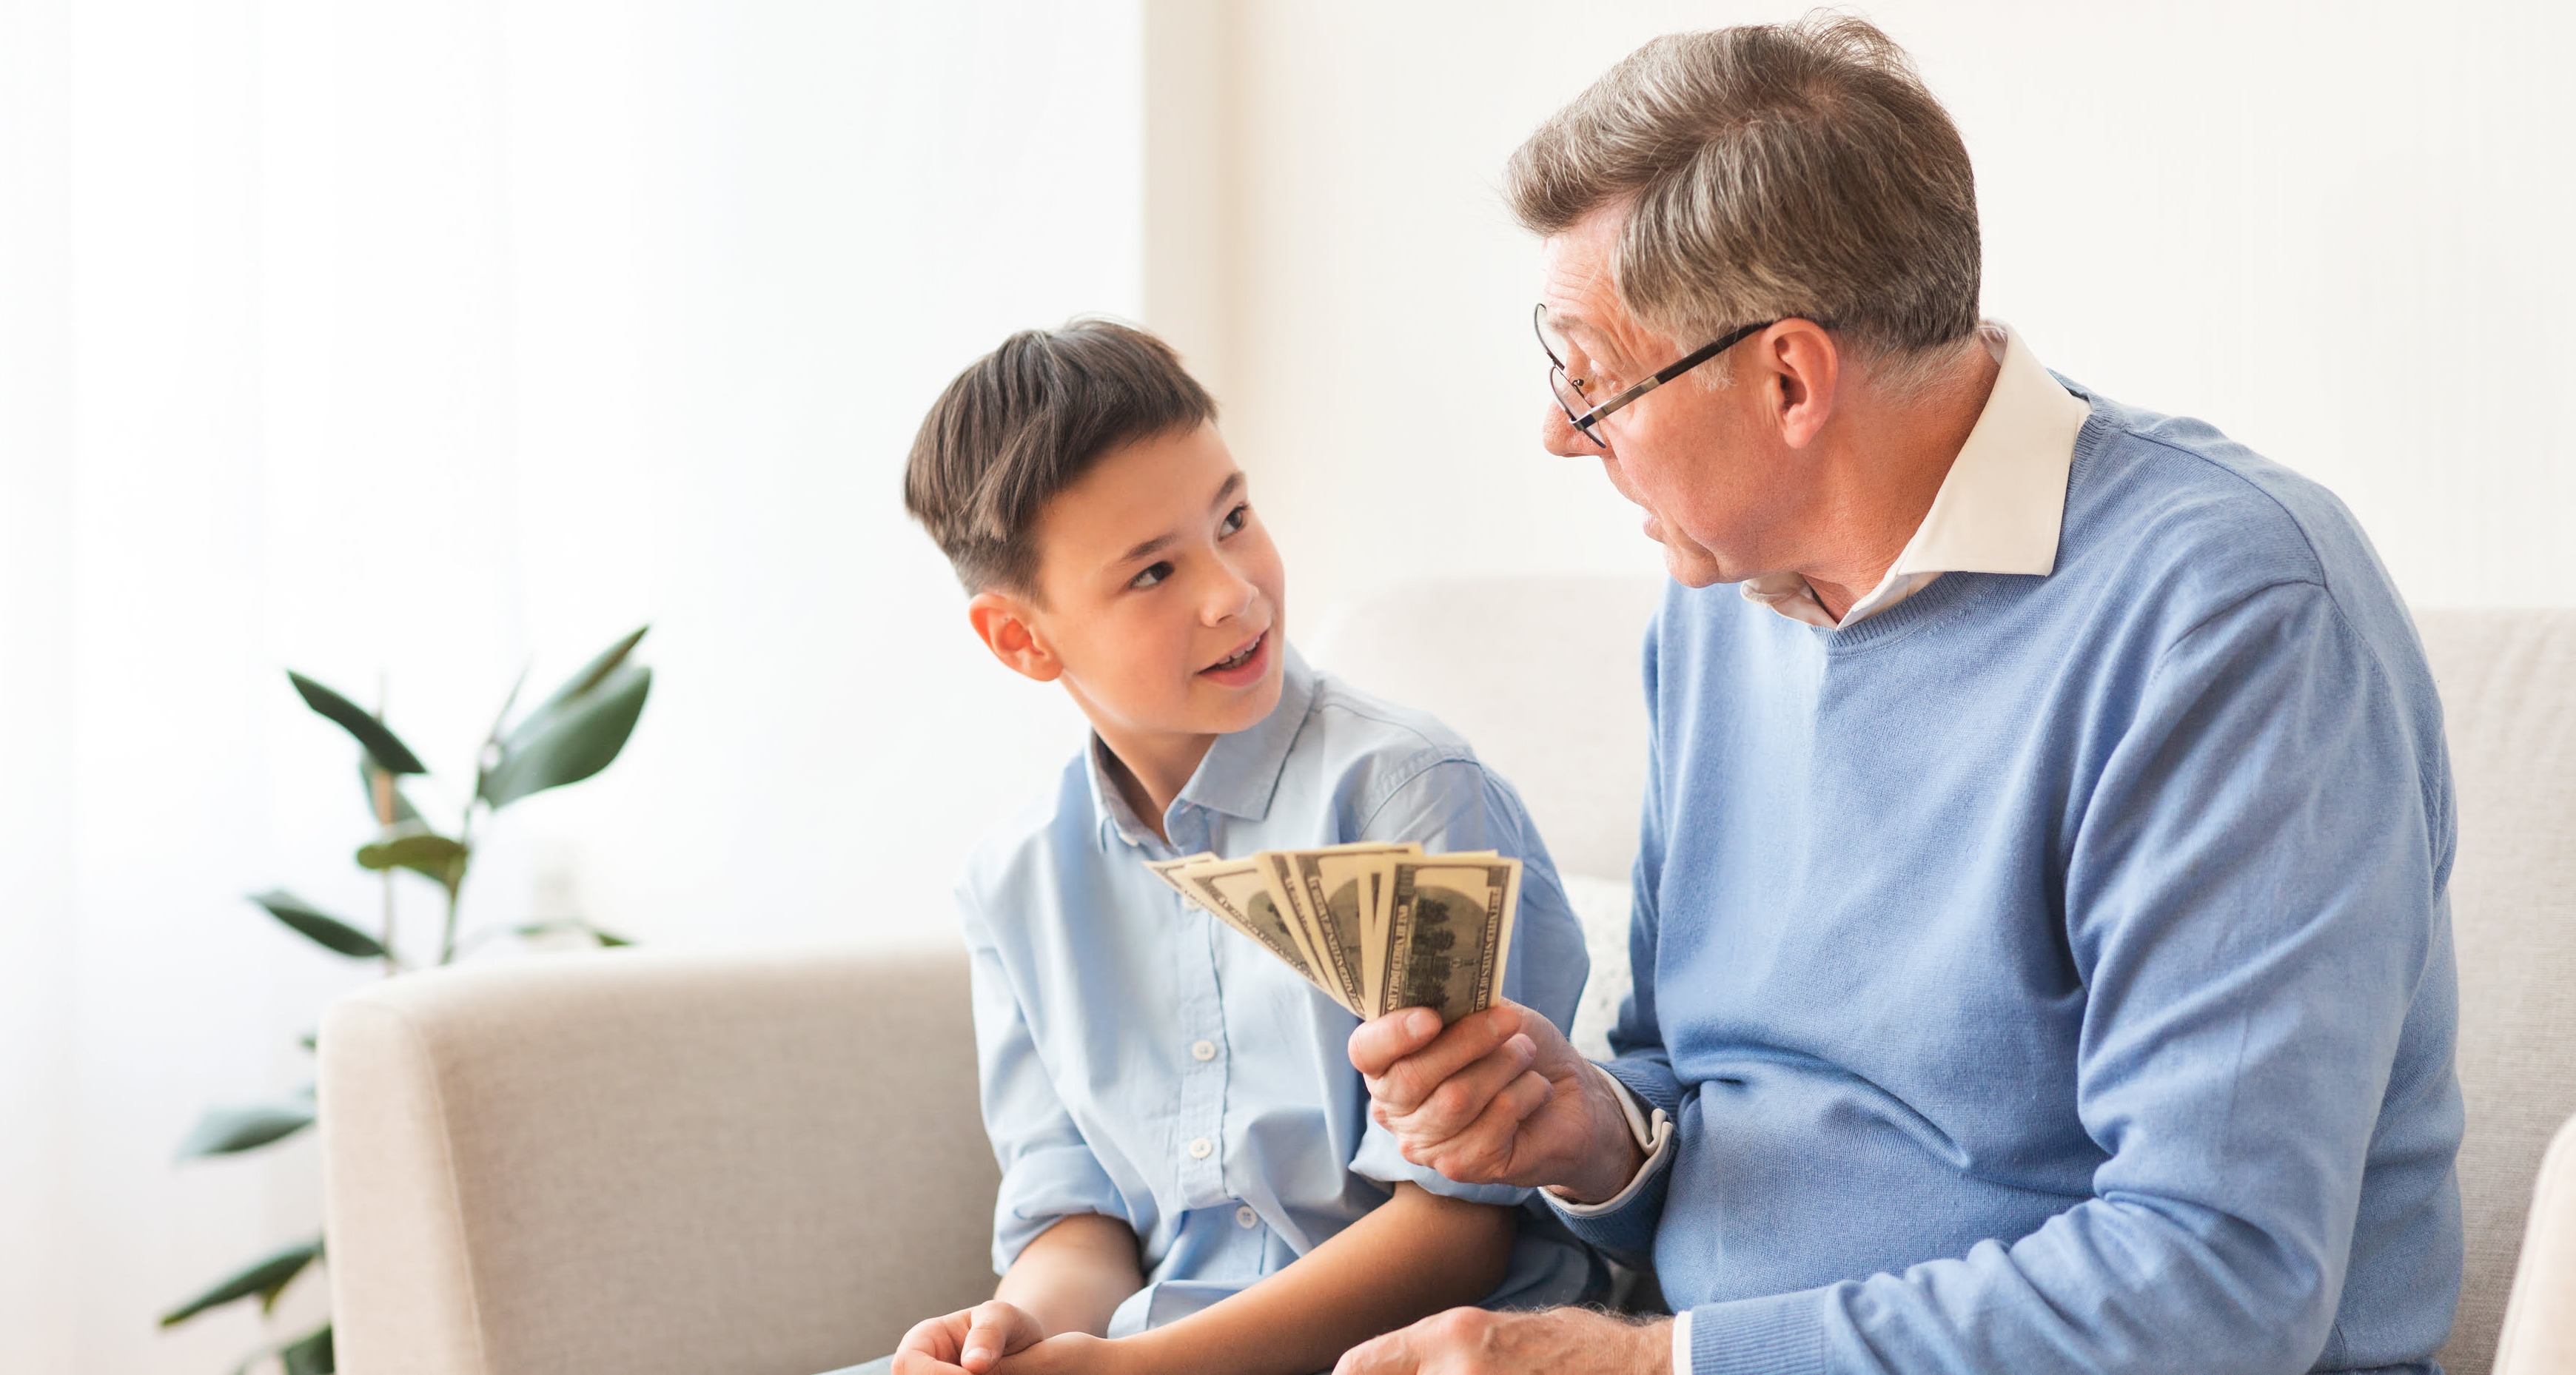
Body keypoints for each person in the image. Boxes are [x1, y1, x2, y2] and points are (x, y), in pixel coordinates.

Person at [1338, 16, 2461, 1375]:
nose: (1560, 432)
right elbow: (1694, 1081)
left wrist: (1651, 1364)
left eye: (1591, 374)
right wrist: (1585, 1127)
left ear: (1790, 378)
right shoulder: (1719, 606)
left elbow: (2216, 1282)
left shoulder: (2233, 620)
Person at [867, 320, 1598, 1375]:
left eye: (1235, 518)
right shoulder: (1014, 882)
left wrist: (1132, 1370)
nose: (1234, 590)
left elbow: (1456, 1228)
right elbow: (1079, 1221)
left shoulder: (1409, 796)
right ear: (1021, 638)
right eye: (1155, 572)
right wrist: (1015, 1330)